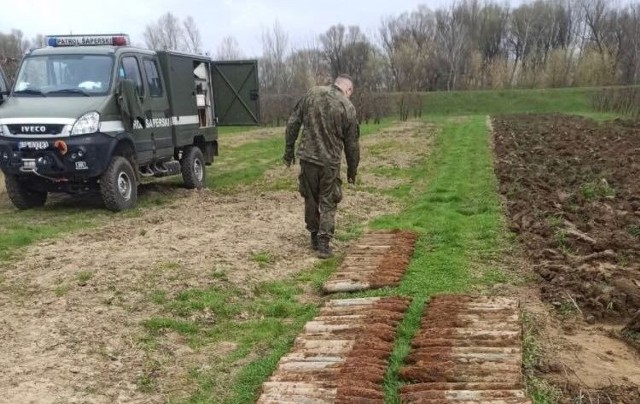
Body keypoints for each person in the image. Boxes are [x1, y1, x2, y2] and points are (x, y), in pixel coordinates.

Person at [283, 74, 360, 259]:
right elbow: (352, 144)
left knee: (310, 198)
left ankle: (313, 235)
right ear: (348, 90)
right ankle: (324, 243)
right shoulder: (347, 106)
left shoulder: (311, 94)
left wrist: (288, 149)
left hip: (307, 158)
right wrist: (352, 169)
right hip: (330, 163)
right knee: (328, 200)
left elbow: (293, 122)